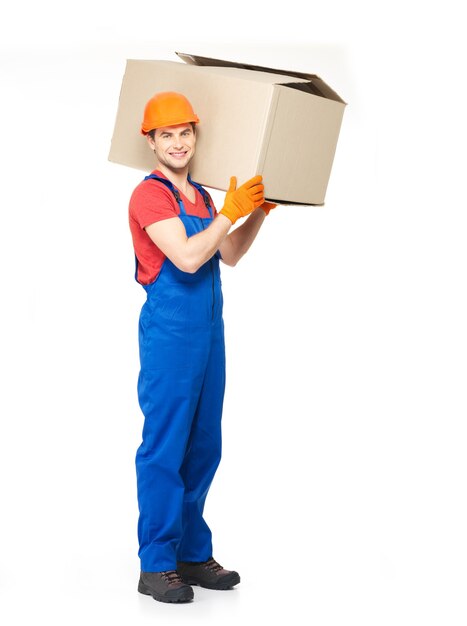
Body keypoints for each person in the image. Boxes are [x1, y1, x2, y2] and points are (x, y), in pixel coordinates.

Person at [128, 91, 276, 604]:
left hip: (209, 334)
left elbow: (228, 253)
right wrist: (230, 212)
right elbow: (189, 258)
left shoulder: (205, 200)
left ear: (195, 136)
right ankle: (156, 564)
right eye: (165, 134)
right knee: (165, 447)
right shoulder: (149, 196)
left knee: (204, 445)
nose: (177, 142)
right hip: (170, 335)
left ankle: (191, 553)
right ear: (151, 141)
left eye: (184, 132)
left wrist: (255, 212)